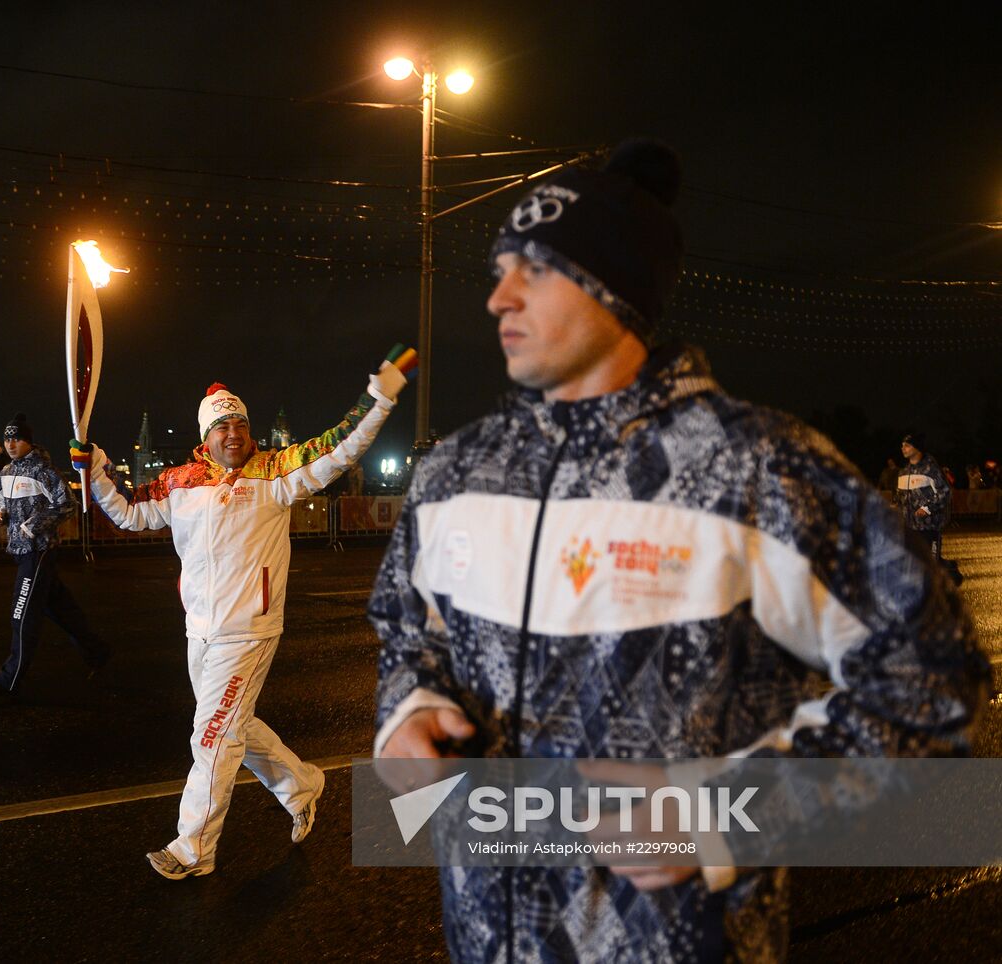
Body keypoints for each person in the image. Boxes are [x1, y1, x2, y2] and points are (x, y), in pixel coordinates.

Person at [369, 140, 986, 963]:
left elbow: (933, 682)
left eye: (535, 270)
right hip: (484, 938)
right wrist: (407, 711)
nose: (497, 298)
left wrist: (729, 814)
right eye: (498, 268)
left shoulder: (758, 467)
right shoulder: (455, 471)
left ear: (615, 291)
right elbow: (409, 635)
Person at [83, 351, 415, 881]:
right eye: (222, 426)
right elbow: (126, 512)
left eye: (240, 423)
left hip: (251, 629)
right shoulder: (180, 484)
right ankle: (302, 785)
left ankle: (194, 847)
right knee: (234, 725)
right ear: (206, 436)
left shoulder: (275, 473)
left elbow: (339, 446)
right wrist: (96, 471)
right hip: (201, 630)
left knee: (211, 736)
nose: (234, 433)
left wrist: (376, 401)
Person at [0, 413, 108, 699]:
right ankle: (98, 653)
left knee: (22, 614)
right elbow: (1, 500)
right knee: (62, 609)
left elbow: (67, 504)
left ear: (28, 441)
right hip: (19, 550)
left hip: (38, 551)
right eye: (8, 438)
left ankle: (7, 682)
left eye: (17, 439)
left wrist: (32, 526)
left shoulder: (44, 471)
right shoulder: (6, 472)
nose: (11, 444)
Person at [898, 433, 961, 583]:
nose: (903, 448)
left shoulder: (931, 469)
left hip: (929, 526)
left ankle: (948, 577)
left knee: (930, 565)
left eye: (907, 445)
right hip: (910, 527)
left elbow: (945, 492)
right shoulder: (903, 472)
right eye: (902, 446)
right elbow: (900, 498)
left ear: (917, 448)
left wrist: (927, 509)